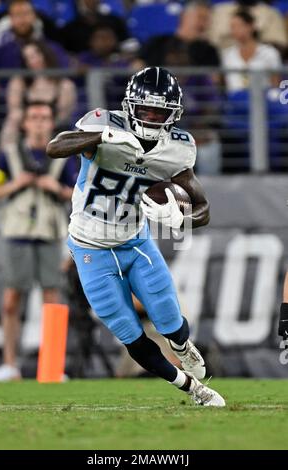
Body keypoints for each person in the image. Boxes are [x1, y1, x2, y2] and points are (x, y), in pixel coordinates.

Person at [47, 67, 226, 406]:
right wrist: (101, 138)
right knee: (129, 333)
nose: (153, 117)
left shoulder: (177, 149)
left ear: (173, 114)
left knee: (170, 319)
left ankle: (182, 347)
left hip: (135, 242)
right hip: (90, 249)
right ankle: (193, 389)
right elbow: (54, 147)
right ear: (130, 107)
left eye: (161, 112)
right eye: (146, 110)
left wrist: (180, 215)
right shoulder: (103, 124)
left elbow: (203, 209)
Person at [0, 101, 76, 381]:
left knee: (52, 299)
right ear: (24, 123)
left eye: (44, 118)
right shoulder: (9, 155)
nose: (39, 123)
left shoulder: (63, 157)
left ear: (51, 123)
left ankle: (52, 367)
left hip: (49, 232)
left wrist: (59, 189)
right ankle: (11, 365)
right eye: (34, 117)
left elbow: (80, 193)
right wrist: (17, 184)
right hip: (17, 232)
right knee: (12, 298)